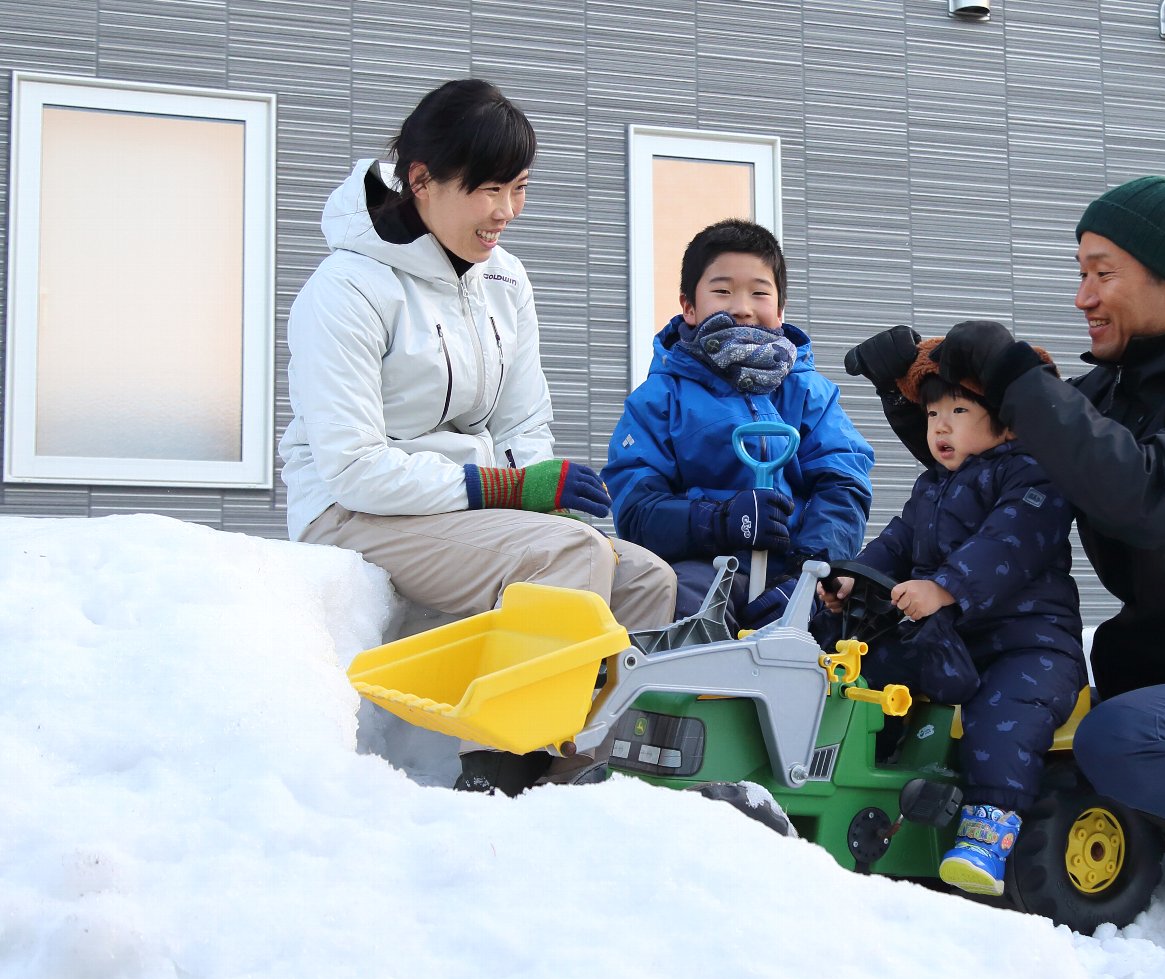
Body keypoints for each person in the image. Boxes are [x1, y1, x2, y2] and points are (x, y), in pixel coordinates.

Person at [846, 176, 1165, 949]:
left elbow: (1142, 494)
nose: (1082, 296)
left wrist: (1017, 375)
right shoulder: (1112, 392)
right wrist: (907, 392)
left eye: (1102, 273)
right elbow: (998, 467)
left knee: (1116, 738)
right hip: (1153, 697)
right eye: (1080, 272)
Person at [279, 79, 675, 796]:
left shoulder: (505, 280)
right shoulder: (347, 289)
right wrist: (509, 489)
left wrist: (543, 496)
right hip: (352, 512)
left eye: (518, 189)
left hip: (456, 509)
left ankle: (588, 770)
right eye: (489, 189)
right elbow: (353, 468)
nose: (505, 213)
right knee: (568, 555)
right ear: (421, 180)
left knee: (647, 579)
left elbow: (522, 421)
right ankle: (496, 770)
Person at [818, 338, 1084, 897]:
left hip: (1026, 644)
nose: (940, 426)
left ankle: (989, 829)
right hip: (946, 639)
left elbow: (1007, 544)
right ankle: (854, 778)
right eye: (933, 413)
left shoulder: (1033, 477)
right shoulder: (933, 486)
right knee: (864, 673)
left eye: (959, 411)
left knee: (1004, 716)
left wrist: (944, 587)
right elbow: (897, 542)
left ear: (1007, 422)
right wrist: (854, 577)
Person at [603, 219, 873, 629]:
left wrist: (808, 574)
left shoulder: (810, 393)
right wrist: (718, 520)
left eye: (759, 292)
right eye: (723, 291)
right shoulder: (658, 400)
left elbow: (843, 486)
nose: (742, 307)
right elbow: (638, 509)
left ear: (780, 309)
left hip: (792, 573)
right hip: (701, 569)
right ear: (689, 307)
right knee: (687, 615)